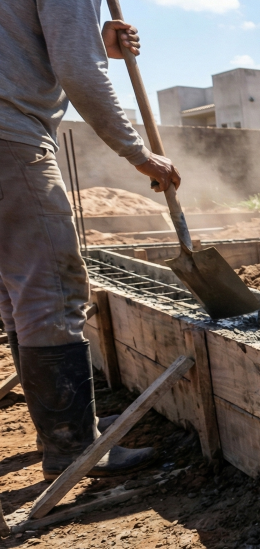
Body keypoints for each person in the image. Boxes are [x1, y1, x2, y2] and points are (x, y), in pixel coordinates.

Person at [2, 1, 175, 480]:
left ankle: (66, 429)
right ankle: (73, 448)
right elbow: (79, 70)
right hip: (10, 135)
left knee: (18, 288)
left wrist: (94, 42)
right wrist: (139, 154)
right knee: (51, 289)